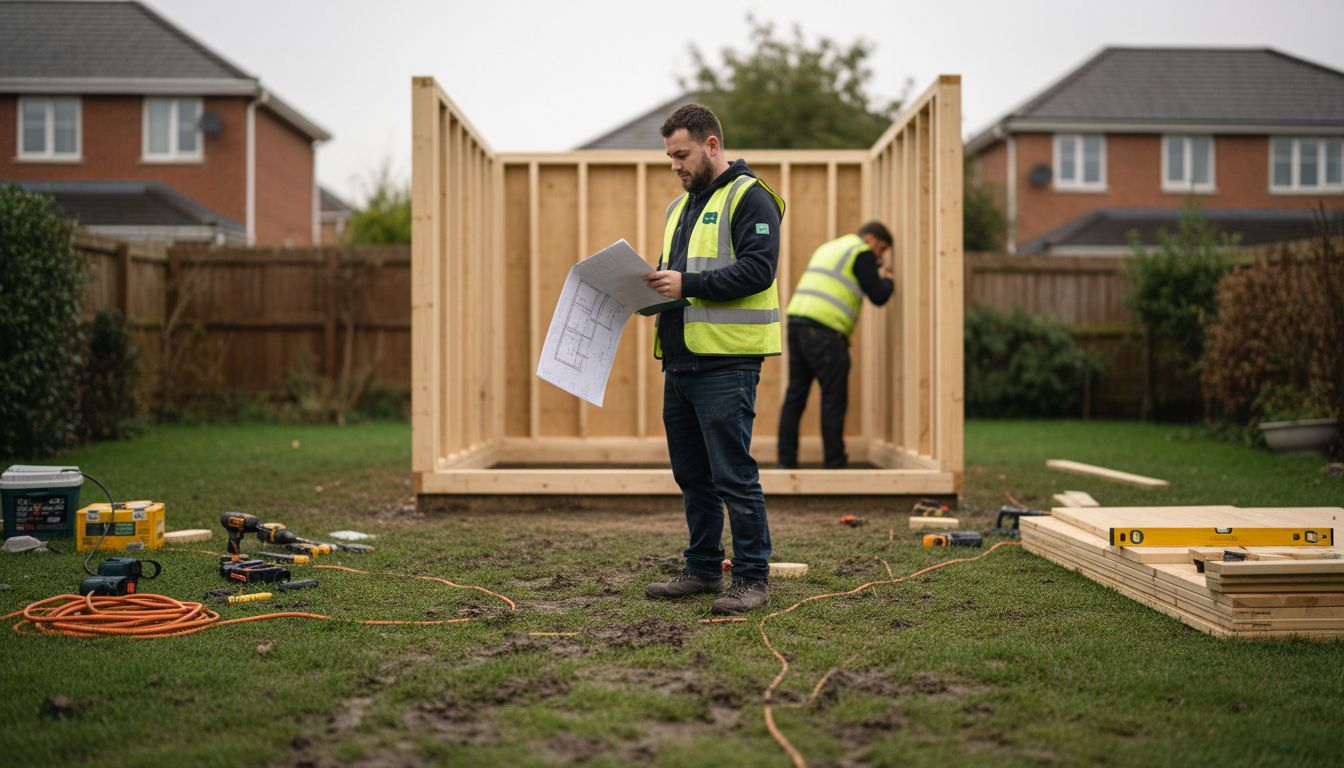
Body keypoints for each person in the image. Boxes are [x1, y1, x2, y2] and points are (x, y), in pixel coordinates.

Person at [641, 104, 785, 615]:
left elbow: (759, 270)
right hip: (680, 362)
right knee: (692, 476)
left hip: (727, 363)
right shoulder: (678, 208)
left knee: (733, 476)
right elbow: (679, 278)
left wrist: (687, 284)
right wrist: (649, 288)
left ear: (712, 145)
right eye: (670, 156)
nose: (675, 165)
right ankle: (702, 568)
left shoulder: (751, 196)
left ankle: (751, 578)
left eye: (681, 155)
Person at [776, 222, 895, 469]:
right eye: (881, 249)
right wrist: (888, 280)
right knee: (833, 399)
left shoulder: (831, 247)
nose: (880, 257)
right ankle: (835, 463)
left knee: (795, 395)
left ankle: (786, 463)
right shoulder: (861, 252)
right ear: (871, 238)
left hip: (797, 324)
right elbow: (878, 295)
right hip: (825, 332)